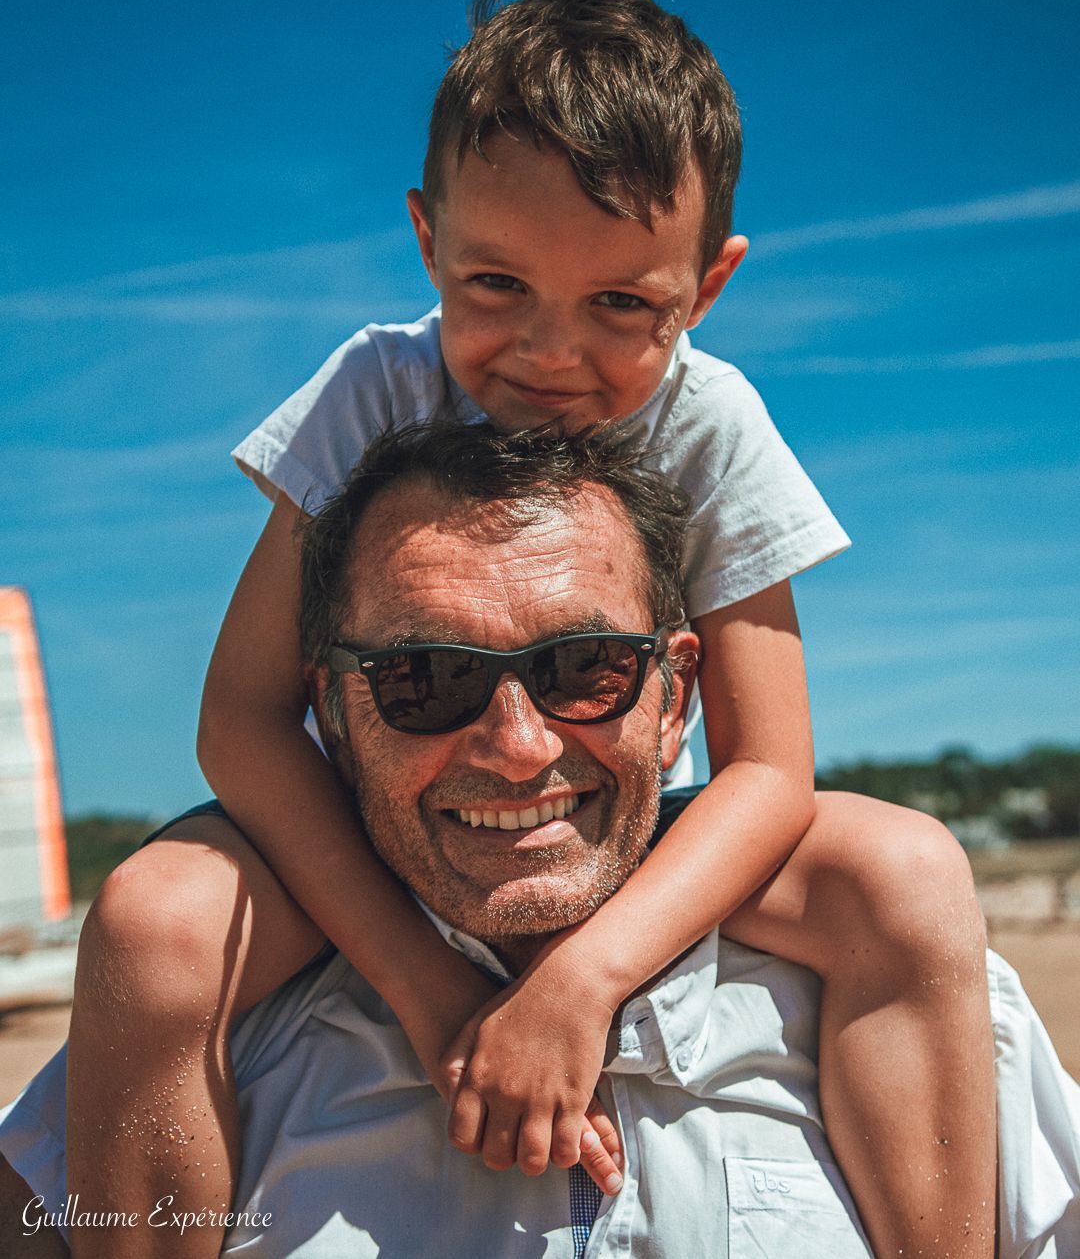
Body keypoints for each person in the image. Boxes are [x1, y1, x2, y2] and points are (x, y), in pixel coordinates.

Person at [56, 0, 1000, 1259]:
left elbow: (771, 766)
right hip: (389, 824)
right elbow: (248, 718)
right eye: (496, 286)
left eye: (621, 303)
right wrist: (427, 985)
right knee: (154, 919)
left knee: (906, 871)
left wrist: (584, 978)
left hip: (610, 824)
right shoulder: (374, 389)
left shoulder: (714, 422)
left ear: (708, 286)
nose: (551, 354)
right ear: (426, 238)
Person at [1, 423, 1077, 1258]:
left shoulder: (921, 1002)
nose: (519, 748)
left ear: (676, 698)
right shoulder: (202, 1040)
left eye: (586, 668)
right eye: (426, 679)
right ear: (331, 714)